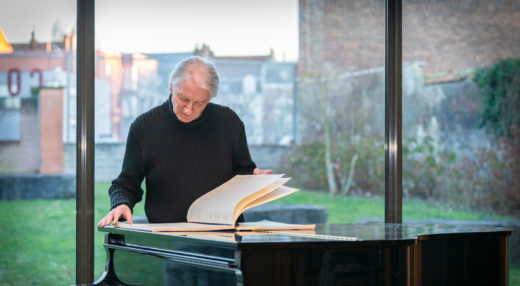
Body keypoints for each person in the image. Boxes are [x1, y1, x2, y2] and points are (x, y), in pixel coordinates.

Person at [98, 56, 271, 227]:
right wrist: (121, 203)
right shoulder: (144, 127)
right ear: (171, 86)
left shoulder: (229, 122)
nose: (189, 110)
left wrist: (254, 181)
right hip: (169, 238)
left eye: (199, 103)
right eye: (184, 99)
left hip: (224, 235)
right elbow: (126, 183)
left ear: (210, 98)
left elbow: (244, 172)